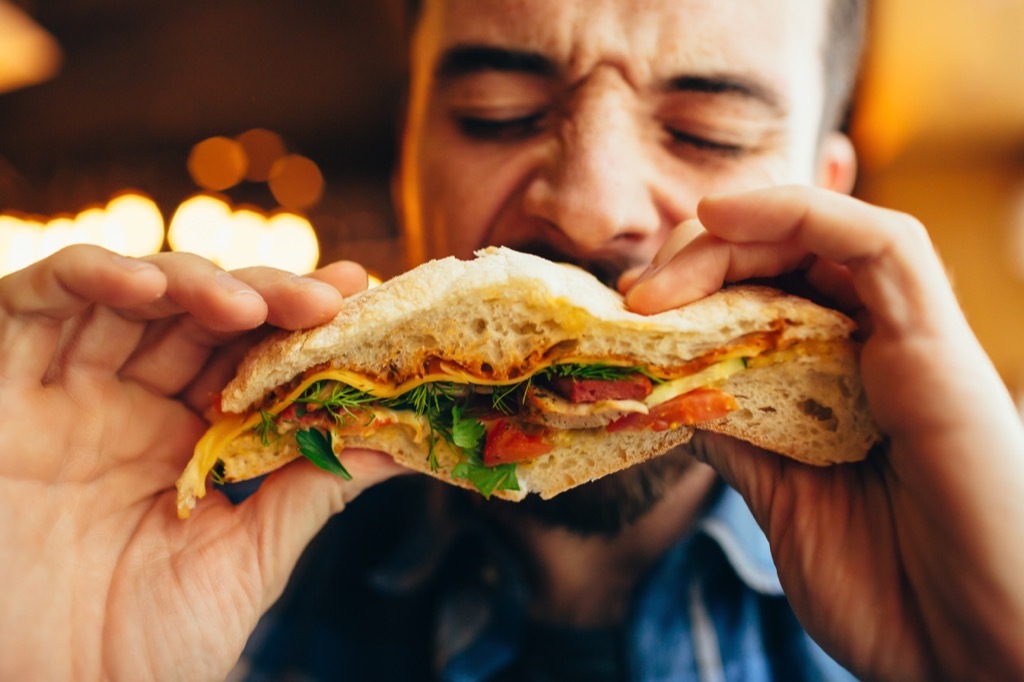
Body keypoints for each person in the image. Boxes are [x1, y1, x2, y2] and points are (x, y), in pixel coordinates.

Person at [1, 0, 1022, 679]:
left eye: (707, 131)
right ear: (408, 162)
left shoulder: (967, 581)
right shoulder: (179, 567)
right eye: (498, 112)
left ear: (824, 194)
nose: (588, 208)